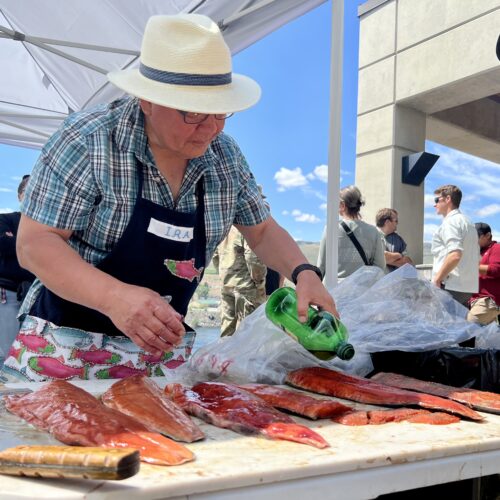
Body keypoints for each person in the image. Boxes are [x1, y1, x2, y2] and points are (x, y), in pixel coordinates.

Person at [1, 14, 335, 382]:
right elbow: (35, 244)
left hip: (158, 352)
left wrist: (304, 273)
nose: (210, 128)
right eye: (192, 112)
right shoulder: (89, 140)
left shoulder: (225, 156)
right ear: (147, 98)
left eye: (221, 112)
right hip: (63, 345)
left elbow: (262, 231)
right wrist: (114, 297)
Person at [0, 175, 35, 364]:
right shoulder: (5, 219)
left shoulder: (55, 229)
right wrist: (43, 243)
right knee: (9, 352)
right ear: (20, 196)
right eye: (30, 190)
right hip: (8, 294)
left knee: (32, 352)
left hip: (37, 295)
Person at [318, 185, 386, 279]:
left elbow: (321, 266)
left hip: (334, 290)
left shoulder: (331, 229)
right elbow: (379, 267)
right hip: (363, 290)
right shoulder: (373, 231)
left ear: (342, 205)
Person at [212, 226, 267, 337]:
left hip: (227, 284)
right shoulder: (250, 224)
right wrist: (259, 282)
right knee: (248, 334)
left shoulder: (225, 226)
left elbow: (215, 255)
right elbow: (253, 257)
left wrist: (223, 276)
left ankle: (224, 354)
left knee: (227, 331)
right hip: (247, 287)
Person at [431, 185, 479, 306]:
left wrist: (437, 279)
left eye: (437, 200)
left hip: (450, 285)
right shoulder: (469, 223)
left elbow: (455, 255)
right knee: (458, 324)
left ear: (448, 199)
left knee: (443, 324)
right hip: (466, 288)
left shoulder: (450, 222)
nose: (434, 204)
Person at [467, 223, 500, 325]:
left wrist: (470, 267)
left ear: (488, 235)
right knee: (487, 337)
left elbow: (496, 270)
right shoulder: (477, 252)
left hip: (488, 300)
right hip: (475, 299)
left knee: (469, 326)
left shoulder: (496, 248)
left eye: (477, 237)